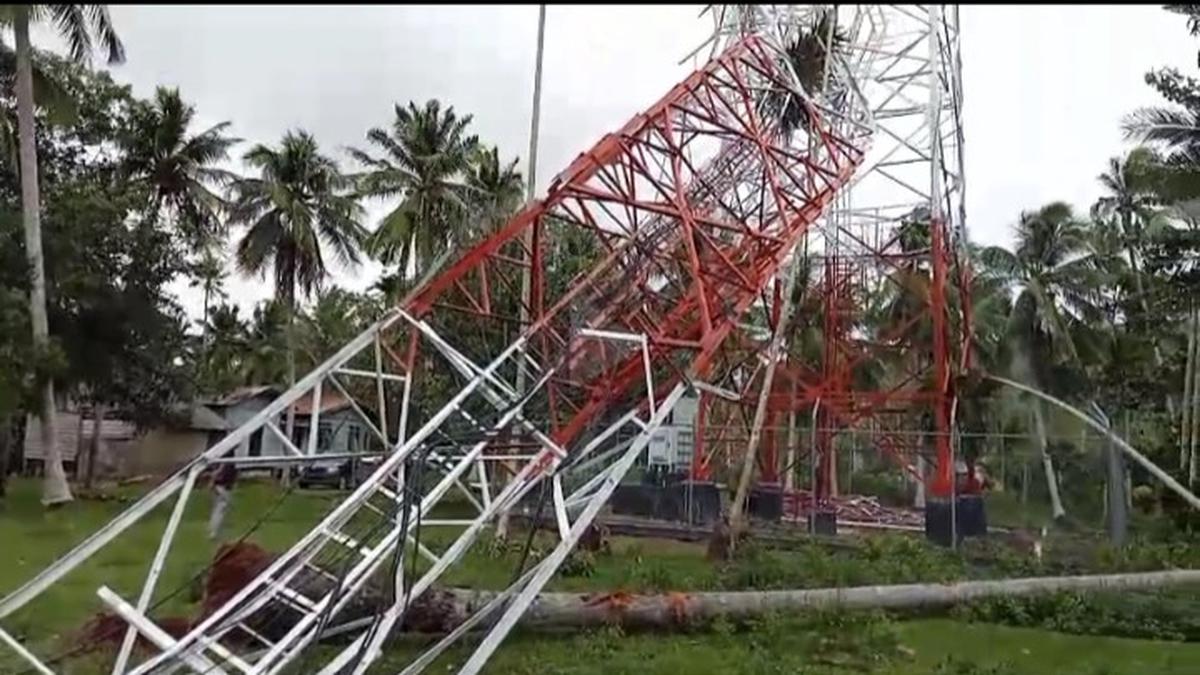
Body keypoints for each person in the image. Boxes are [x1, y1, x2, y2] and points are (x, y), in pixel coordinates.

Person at [208, 460, 238, 540]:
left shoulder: (224, 463)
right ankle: (214, 532)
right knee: (220, 510)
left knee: (218, 509)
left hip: (221, 487)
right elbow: (218, 473)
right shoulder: (226, 464)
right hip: (222, 488)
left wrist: (212, 483)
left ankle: (215, 530)